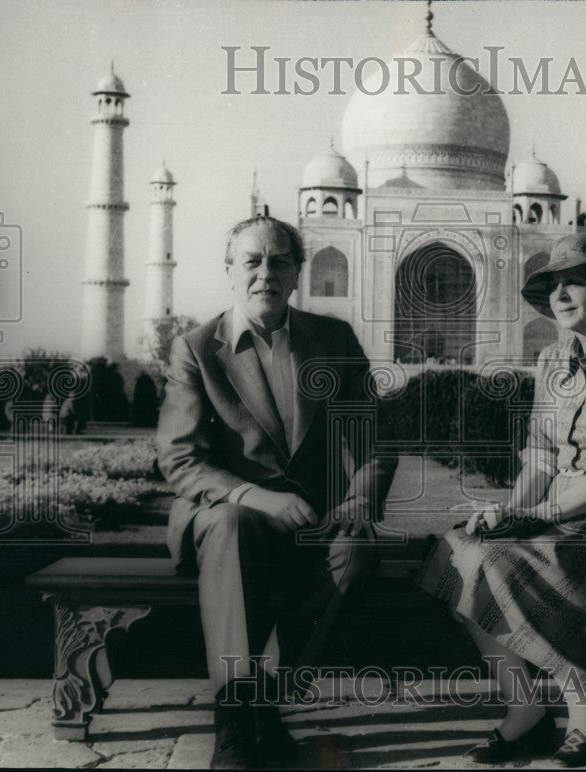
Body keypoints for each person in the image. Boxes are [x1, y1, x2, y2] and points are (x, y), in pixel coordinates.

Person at [419, 234, 586, 768]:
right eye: (554, 284)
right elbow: (541, 457)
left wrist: (537, 516)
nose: (560, 294)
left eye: (575, 281)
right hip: (562, 519)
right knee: (462, 552)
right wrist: (508, 514)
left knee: (514, 566)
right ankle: (528, 713)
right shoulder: (552, 359)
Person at [156, 215, 397, 769]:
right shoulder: (197, 349)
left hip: (307, 521)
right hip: (227, 519)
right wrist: (255, 498)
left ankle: (261, 697)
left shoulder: (332, 341)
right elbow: (180, 459)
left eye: (280, 261)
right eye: (252, 261)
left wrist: (359, 499)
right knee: (233, 526)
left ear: (297, 274)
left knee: (355, 552)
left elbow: (373, 443)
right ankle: (235, 726)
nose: (266, 272)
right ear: (230, 271)